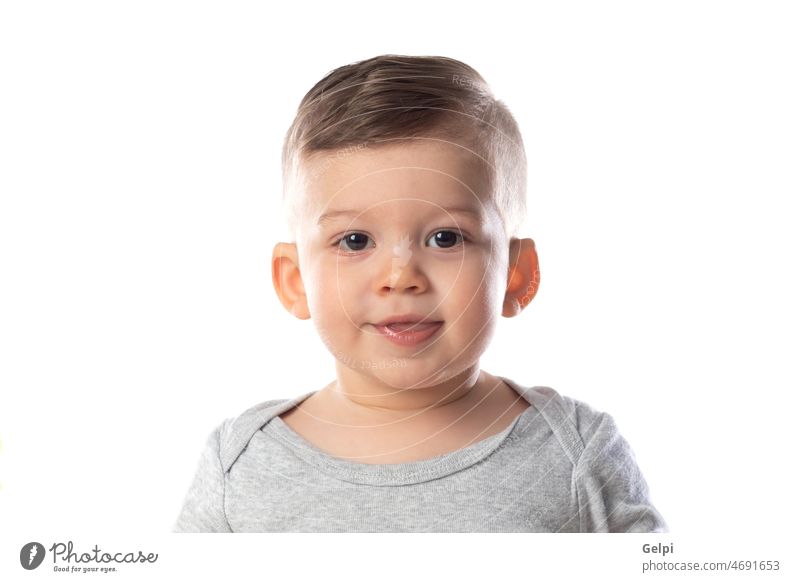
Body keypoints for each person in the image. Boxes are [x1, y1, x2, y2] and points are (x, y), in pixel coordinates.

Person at [173, 54, 667, 533]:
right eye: (355, 241)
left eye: (445, 238)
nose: (401, 276)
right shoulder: (240, 466)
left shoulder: (576, 453)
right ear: (295, 281)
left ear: (516, 275)